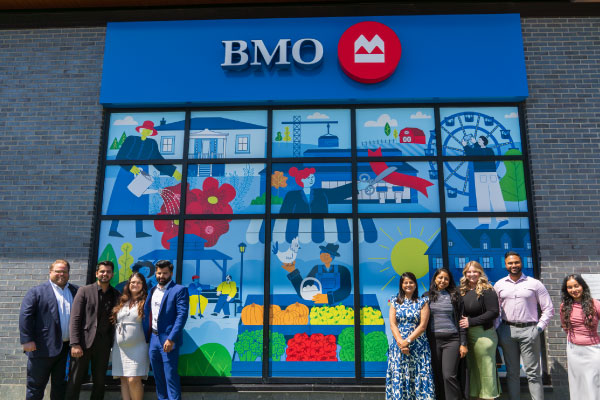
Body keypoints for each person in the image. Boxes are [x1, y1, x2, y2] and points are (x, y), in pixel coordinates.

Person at [494, 251, 554, 400]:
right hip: (507, 331)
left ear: (521, 263)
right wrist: (497, 329)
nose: (513, 265)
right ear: (505, 264)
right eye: (510, 263)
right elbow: (496, 311)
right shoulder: (499, 284)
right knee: (512, 372)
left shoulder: (534, 283)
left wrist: (538, 328)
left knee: (533, 373)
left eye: (516, 262)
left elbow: (548, 309)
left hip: (530, 330)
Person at [107, 120, 182, 238]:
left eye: (149, 130)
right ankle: (113, 229)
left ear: (151, 133)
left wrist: (173, 172)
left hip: (142, 174)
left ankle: (139, 231)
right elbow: (120, 156)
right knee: (120, 200)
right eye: (145, 129)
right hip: (126, 174)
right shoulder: (131, 140)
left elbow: (158, 161)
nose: (146, 131)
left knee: (139, 200)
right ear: (140, 130)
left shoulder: (151, 144)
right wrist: (130, 167)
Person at [19, 259, 79, 400]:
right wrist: (27, 340)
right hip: (41, 348)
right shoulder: (37, 291)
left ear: (68, 273)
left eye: (64, 271)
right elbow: (25, 316)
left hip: (65, 350)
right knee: (36, 387)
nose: (61, 274)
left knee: (60, 387)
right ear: (50, 272)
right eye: (58, 271)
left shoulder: (76, 291)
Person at [66, 260, 120, 400]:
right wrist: (75, 343)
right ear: (97, 273)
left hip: (104, 344)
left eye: (108, 272)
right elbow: (75, 318)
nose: (105, 274)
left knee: (100, 382)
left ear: (112, 274)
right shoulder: (84, 291)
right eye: (102, 271)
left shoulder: (116, 294)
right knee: (75, 380)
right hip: (83, 343)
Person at [143, 260, 189, 400]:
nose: (161, 276)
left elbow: (182, 316)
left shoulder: (179, 290)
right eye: (159, 273)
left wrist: (171, 338)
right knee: (158, 378)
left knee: (170, 377)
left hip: (168, 341)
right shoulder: (153, 290)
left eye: (165, 273)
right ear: (155, 273)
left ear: (171, 273)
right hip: (153, 339)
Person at [386, 272, 435, 400]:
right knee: (401, 376)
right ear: (401, 285)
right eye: (405, 282)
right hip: (398, 347)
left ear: (415, 284)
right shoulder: (394, 302)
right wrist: (401, 343)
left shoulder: (423, 302)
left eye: (411, 282)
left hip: (419, 347)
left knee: (419, 376)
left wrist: (407, 341)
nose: (408, 285)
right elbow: (393, 325)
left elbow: (423, 326)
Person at [424, 268, 468, 400]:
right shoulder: (426, 297)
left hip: (452, 340)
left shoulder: (455, 296)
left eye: (446, 278)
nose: (443, 281)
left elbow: (462, 321)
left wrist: (463, 343)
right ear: (435, 279)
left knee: (449, 375)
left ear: (450, 281)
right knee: (436, 374)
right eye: (440, 277)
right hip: (433, 340)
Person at [459, 261, 500, 400]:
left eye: (475, 271)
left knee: (486, 371)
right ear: (465, 273)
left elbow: (493, 312)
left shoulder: (487, 290)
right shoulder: (462, 291)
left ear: (480, 273)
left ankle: (489, 397)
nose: (471, 274)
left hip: (484, 335)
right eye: (468, 272)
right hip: (467, 336)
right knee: (473, 371)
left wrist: (471, 321)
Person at [560, 274, 600, 400]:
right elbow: (565, 327)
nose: (573, 290)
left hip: (593, 350)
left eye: (576, 286)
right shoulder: (564, 306)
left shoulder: (595, 304)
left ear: (582, 286)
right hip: (574, 351)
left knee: (594, 383)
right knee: (577, 384)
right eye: (570, 287)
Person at [111, 272, 150, 400]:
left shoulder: (147, 301)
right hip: (120, 347)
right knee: (123, 379)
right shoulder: (122, 300)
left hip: (139, 347)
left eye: (138, 282)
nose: (135, 285)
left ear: (143, 285)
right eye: (133, 282)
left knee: (134, 379)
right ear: (129, 284)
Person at [282, 243, 352, 305]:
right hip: (315, 306)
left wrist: (329, 297)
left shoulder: (343, 270)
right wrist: (293, 271)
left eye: (327, 255)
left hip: (339, 306)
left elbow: (346, 290)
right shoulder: (316, 269)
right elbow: (303, 290)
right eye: (322, 254)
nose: (324, 256)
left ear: (332, 257)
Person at [461, 135, 507, 229]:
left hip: (481, 174)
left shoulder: (477, 150)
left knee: (482, 198)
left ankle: (485, 223)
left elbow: (471, 153)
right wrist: (474, 143)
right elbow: (480, 152)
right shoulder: (490, 151)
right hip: (492, 174)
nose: (477, 141)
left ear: (482, 142)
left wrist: (465, 145)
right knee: (496, 196)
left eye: (478, 140)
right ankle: (503, 219)